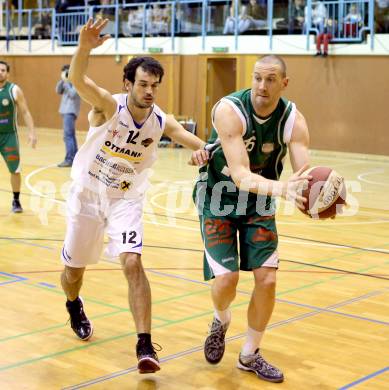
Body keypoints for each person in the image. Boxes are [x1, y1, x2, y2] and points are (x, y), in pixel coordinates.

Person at [60, 18, 208, 375]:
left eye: (155, 85)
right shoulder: (110, 107)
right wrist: (84, 49)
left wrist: (203, 154)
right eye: (143, 84)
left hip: (125, 199)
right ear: (128, 83)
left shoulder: (161, 121)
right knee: (72, 273)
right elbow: (77, 80)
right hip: (88, 196)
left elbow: (203, 146)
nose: (149, 91)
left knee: (132, 262)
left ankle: (144, 343)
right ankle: (73, 303)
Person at [193, 55, 311, 383]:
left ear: (284, 83)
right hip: (219, 199)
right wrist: (284, 189)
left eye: (270, 79)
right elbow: (242, 175)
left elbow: (305, 174)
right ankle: (220, 319)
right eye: (257, 77)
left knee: (268, 279)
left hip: (259, 204)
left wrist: (322, 196)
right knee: (226, 281)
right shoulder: (229, 111)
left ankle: (249, 354)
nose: (262, 85)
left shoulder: (292, 120)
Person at [0, 60, 37, 213]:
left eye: (2, 70)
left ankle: (16, 200)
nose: (0, 72)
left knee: (15, 169)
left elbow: (25, 112)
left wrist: (32, 132)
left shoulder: (14, 90)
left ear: (7, 73)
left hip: (9, 136)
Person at [56, 64, 81, 167]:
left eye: (68, 72)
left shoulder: (76, 82)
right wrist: (62, 80)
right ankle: (75, 158)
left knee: (68, 136)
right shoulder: (66, 82)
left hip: (70, 111)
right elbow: (58, 91)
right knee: (70, 136)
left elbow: (73, 94)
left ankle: (69, 159)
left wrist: (67, 82)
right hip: (65, 111)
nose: (66, 74)